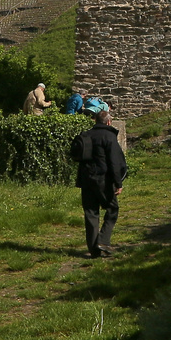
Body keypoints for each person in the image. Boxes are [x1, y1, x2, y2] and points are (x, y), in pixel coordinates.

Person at [69, 107, 127, 257]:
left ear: (95, 121)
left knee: (91, 213)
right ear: (108, 122)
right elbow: (115, 162)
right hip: (103, 179)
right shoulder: (109, 137)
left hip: (86, 179)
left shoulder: (86, 135)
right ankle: (103, 241)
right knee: (112, 209)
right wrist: (118, 183)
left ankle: (94, 250)